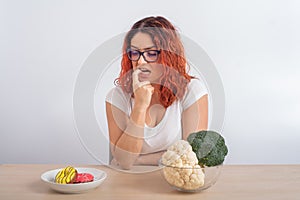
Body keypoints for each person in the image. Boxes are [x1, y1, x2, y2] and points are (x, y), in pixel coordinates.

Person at [105, 16, 208, 170]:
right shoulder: (117, 97)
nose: (140, 62)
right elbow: (125, 161)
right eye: (134, 53)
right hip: (127, 184)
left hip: (173, 183)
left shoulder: (192, 91)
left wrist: (139, 160)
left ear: (169, 56)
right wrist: (140, 105)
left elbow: (193, 155)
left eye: (151, 53)